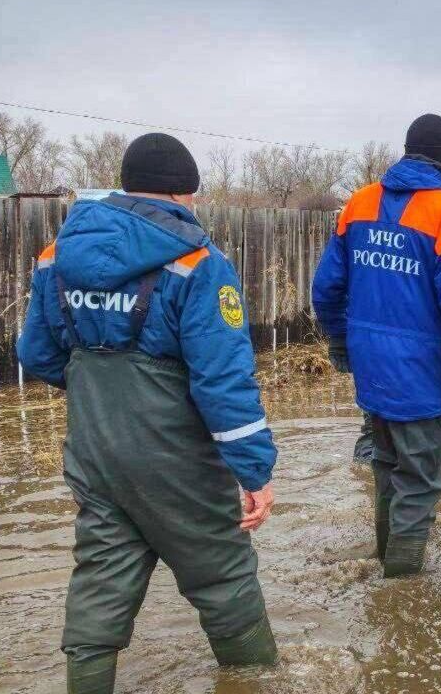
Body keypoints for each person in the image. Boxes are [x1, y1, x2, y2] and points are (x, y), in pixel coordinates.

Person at [17, 133, 279, 694]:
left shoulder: (56, 256)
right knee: (224, 576)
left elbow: (37, 355)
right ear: (184, 194)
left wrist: (101, 396)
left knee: (101, 582)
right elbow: (223, 381)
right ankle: (255, 680)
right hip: (175, 458)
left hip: (95, 453)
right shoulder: (198, 263)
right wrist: (254, 471)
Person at [312, 113, 441, 578]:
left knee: (386, 467)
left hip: (371, 368)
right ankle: (401, 592)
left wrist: (342, 342)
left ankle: (385, 561)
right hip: (421, 372)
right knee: (420, 483)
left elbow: (325, 288)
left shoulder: (360, 203)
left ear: (406, 151)